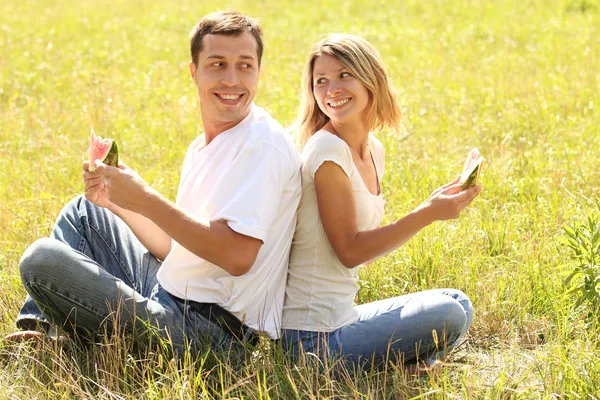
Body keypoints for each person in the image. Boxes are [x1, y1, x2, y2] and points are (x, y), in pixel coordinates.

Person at [6, 11, 302, 354]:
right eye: (218, 64)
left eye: (245, 65)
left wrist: (145, 197)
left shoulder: (262, 145)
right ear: (194, 71)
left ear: (259, 72)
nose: (232, 79)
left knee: (40, 260)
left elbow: (237, 256)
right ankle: (41, 333)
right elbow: (175, 249)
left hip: (210, 336)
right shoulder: (202, 147)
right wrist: (118, 202)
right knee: (84, 212)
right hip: (170, 294)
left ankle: (75, 337)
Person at [281, 34, 481, 371]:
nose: (332, 89)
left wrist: (433, 207)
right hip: (311, 339)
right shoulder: (326, 152)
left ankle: (396, 366)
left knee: (457, 301)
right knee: (448, 314)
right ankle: (396, 367)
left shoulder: (373, 150)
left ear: (370, 77)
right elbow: (350, 252)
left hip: (344, 316)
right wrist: (427, 214)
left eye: (345, 75)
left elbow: (361, 255)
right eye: (321, 81)